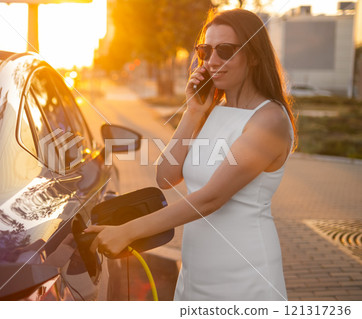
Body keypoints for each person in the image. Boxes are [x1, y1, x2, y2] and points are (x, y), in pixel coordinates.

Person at [85, 8, 297, 301]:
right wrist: (193, 112)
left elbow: (211, 197)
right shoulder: (213, 111)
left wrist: (128, 231)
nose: (212, 61)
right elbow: (166, 176)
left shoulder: (269, 119)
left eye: (225, 51)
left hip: (245, 272)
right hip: (196, 270)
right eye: (205, 50)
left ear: (255, 55)